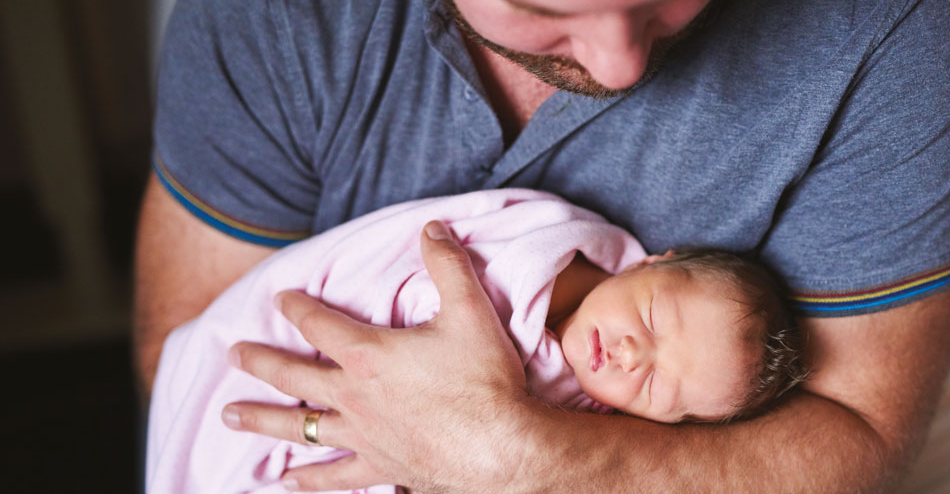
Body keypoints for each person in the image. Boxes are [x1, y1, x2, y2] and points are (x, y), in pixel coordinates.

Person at [134, 0, 950, 491]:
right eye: (540, 6)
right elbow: (192, 348)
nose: (621, 68)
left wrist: (524, 460)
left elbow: (857, 438)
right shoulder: (284, 13)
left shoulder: (896, 22)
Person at [145, 190, 804, 493]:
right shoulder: (545, 249)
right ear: (650, 263)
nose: (634, 355)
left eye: (658, 387)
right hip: (303, 342)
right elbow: (405, 284)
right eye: (655, 319)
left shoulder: (591, 418)